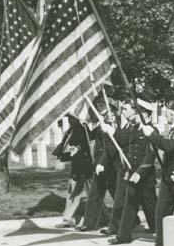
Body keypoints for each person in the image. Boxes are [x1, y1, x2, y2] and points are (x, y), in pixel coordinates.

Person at [141, 101, 174, 246]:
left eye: (167, 113)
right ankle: (161, 245)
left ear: (172, 114)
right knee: (161, 211)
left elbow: (169, 146)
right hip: (167, 174)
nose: (166, 116)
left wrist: (152, 135)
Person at [107, 98, 157, 245]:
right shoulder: (135, 129)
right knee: (130, 203)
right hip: (132, 171)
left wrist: (139, 172)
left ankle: (161, 231)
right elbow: (123, 141)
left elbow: (151, 155)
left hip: (145, 175)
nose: (131, 114)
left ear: (144, 114)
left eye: (135, 112)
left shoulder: (151, 130)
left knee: (151, 205)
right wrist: (111, 131)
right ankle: (123, 237)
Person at [77, 94, 117, 231]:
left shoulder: (111, 120)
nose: (97, 107)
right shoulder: (101, 120)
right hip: (100, 162)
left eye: (100, 105)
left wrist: (102, 163)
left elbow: (110, 145)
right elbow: (93, 135)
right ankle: (89, 223)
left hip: (109, 163)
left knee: (112, 193)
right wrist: (84, 126)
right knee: (97, 193)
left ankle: (131, 219)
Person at [98, 96, 134, 236]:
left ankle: (156, 224)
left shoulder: (134, 126)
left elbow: (126, 141)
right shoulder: (120, 124)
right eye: (122, 109)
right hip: (123, 166)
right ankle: (115, 227)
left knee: (147, 199)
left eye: (126, 109)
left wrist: (113, 131)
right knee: (120, 196)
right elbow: (112, 145)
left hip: (137, 167)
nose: (122, 111)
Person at [53, 113, 92, 228]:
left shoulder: (84, 129)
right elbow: (67, 146)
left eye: (72, 117)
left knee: (92, 194)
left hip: (86, 166)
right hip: (76, 166)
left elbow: (87, 145)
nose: (69, 119)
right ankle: (68, 219)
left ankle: (103, 216)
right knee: (73, 193)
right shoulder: (71, 130)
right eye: (69, 117)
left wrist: (78, 148)